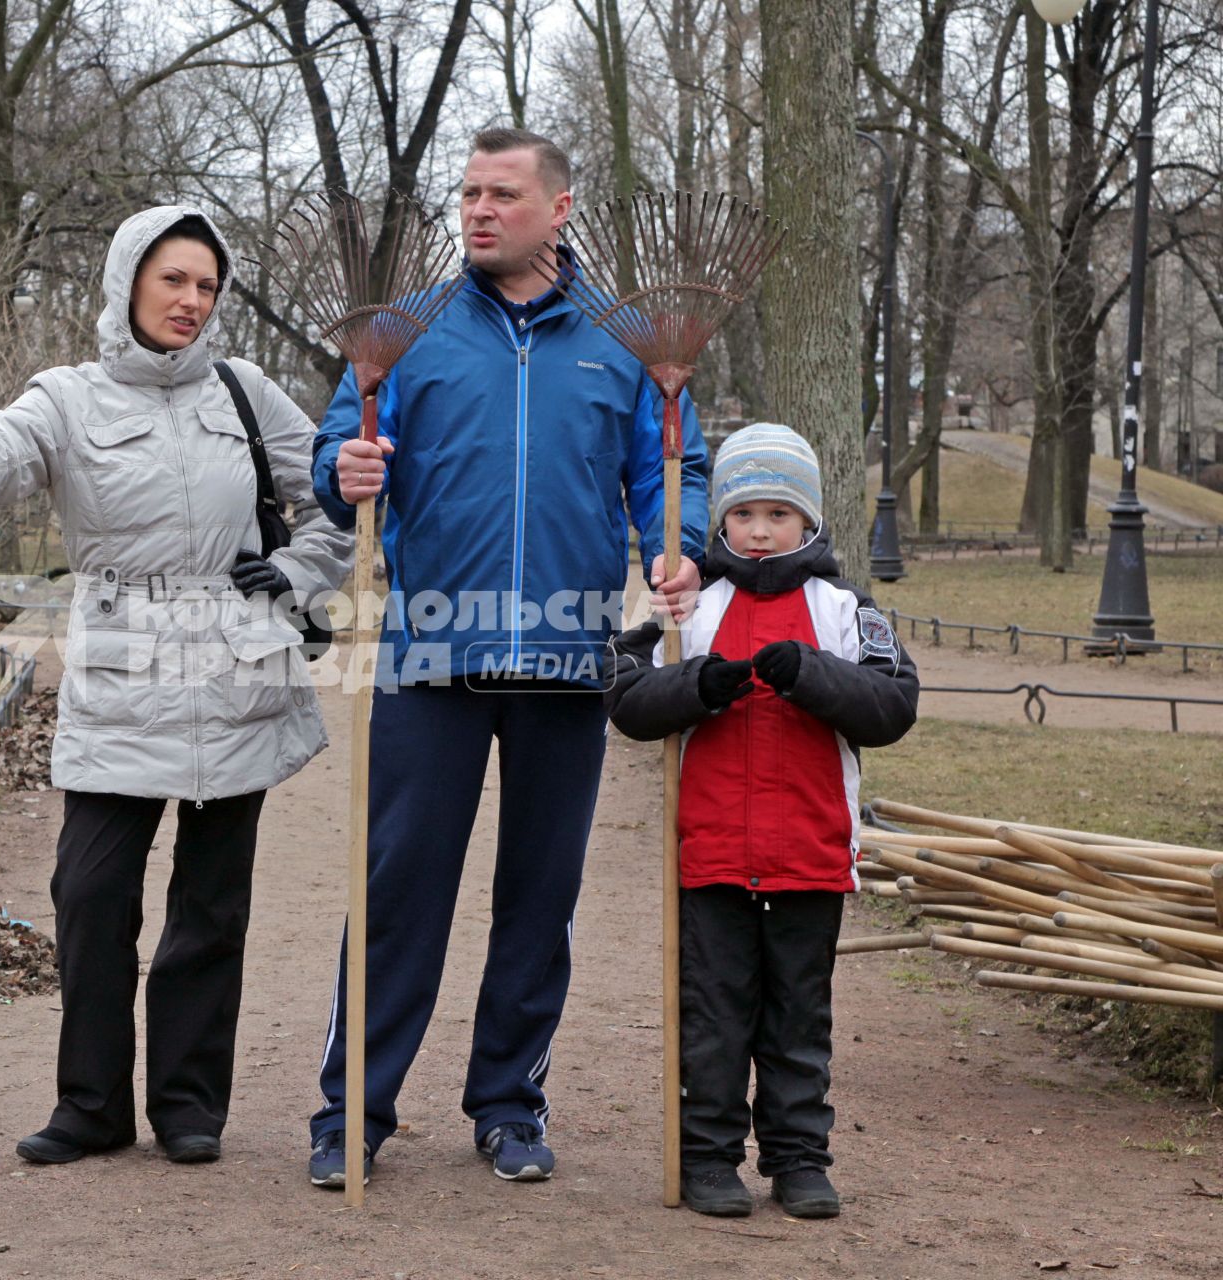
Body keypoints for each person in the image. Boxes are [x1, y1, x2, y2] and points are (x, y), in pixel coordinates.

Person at [0, 206, 353, 1168]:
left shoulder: (245, 392)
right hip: (122, 673)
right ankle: (92, 1104)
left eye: (206, 286)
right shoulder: (68, 399)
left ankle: (190, 1107)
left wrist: (299, 575)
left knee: (212, 906)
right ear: (127, 284)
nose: (191, 302)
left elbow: (336, 490)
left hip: (237, 673)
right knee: (91, 894)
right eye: (173, 281)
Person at [305, 127, 710, 1188]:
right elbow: (337, 447)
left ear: (559, 208)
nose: (478, 209)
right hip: (431, 654)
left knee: (540, 897)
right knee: (399, 889)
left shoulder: (630, 343)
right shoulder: (405, 331)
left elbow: (675, 467)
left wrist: (679, 545)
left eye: (502, 193)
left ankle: (508, 1104)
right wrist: (343, 464)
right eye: (469, 192)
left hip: (571, 661)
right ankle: (354, 1112)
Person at [602, 423, 919, 1219]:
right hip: (710, 856)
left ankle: (799, 1159)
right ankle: (708, 1157)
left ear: (808, 522)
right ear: (723, 523)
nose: (761, 529)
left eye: (779, 513)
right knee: (714, 1019)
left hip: (809, 855)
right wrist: (700, 686)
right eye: (745, 514)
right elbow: (628, 696)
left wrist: (812, 675)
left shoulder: (844, 608)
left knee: (797, 1020)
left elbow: (891, 706)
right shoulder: (690, 605)